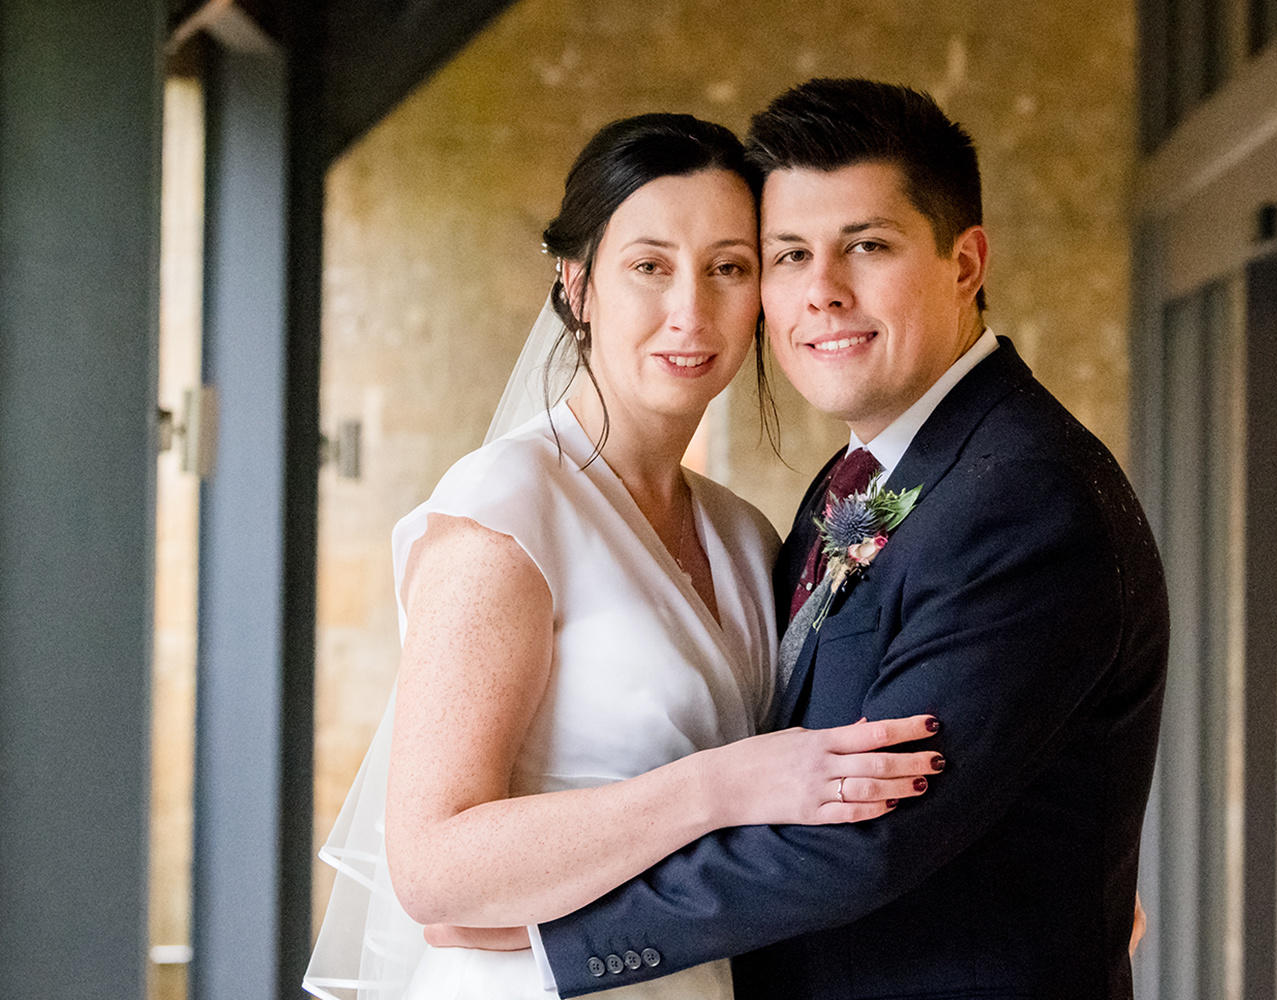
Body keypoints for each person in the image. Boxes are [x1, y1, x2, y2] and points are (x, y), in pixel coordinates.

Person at [515, 79, 1169, 999]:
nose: (820, 293)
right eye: (787, 255)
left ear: (966, 262)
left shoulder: (1027, 498)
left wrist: (554, 934)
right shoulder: (858, 480)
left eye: (867, 246)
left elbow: (874, 832)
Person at [302, 113, 945, 1000]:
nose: (691, 310)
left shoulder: (745, 534)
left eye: (729, 267)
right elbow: (431, 868)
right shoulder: (506, 511)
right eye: (649, 267)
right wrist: (717, 788)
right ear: (577, 286)